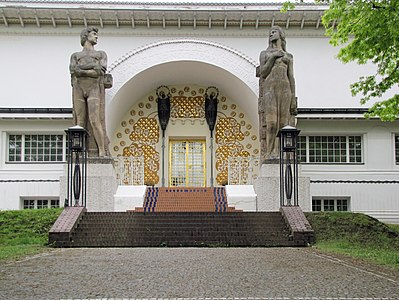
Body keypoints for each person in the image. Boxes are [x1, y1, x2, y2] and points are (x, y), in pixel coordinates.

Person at [257, 26, 297, 162]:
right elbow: (263, 72)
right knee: (272, 123)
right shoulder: (265, 54)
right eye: (270, 33)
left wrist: (293, 99)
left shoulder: (288, 56)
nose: (271, 34)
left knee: (284, 124)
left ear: (281, 35)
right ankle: (269, 153)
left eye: (274, 32)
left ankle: (283, 153)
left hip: (285, 89)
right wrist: (273, 57)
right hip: (270, 89)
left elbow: (291, 77)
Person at [69, 27, 110, 157]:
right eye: (94, 34)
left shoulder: (101, 54)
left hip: (94, 88)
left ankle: (102, 150)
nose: (96, 37)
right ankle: (78, 153)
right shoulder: (75, 55)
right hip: (78, 88)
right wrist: (92, 67)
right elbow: (73, 69)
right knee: (79, 121)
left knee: (94, 119)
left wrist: (81, 70)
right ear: (86, 36)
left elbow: (99, 71)